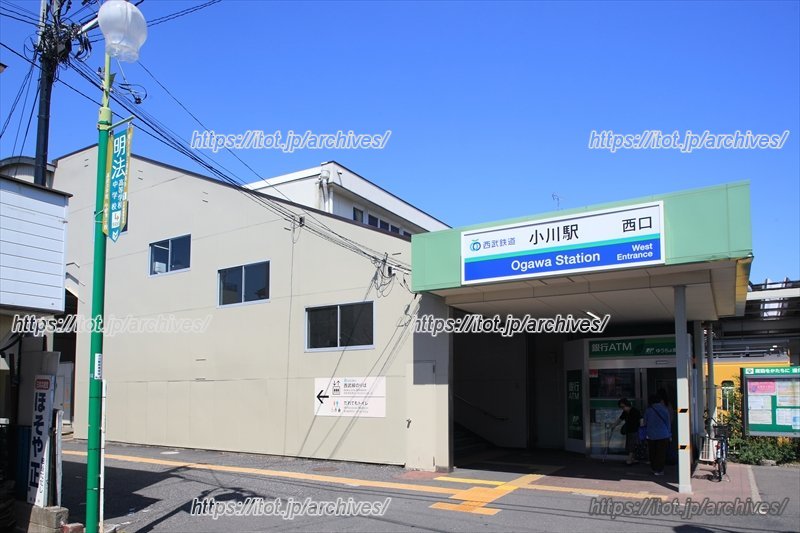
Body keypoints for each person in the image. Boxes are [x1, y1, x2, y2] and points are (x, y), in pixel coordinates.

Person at [644, 393, 671, 476]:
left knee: (652, 453)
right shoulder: (664, 409)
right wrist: (670, 434)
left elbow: (645, 422)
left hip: (651, 435)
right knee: (661, 453)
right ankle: (660, 470)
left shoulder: (648, 410)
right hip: (663, 435)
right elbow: (668, 423)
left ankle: (654, 469)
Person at [612, 398, 642, 465]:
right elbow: (620, 419)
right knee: (632, 445)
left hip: (635, 430)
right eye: (621, 407)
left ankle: (629, 460)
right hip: (629, 430)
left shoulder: (635, 411)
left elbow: (640, 420)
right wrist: (614, 425)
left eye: (623, 407)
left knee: (632, 445)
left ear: (627, 404)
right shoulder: (625, 412)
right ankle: (632, 459)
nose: (623, 408)